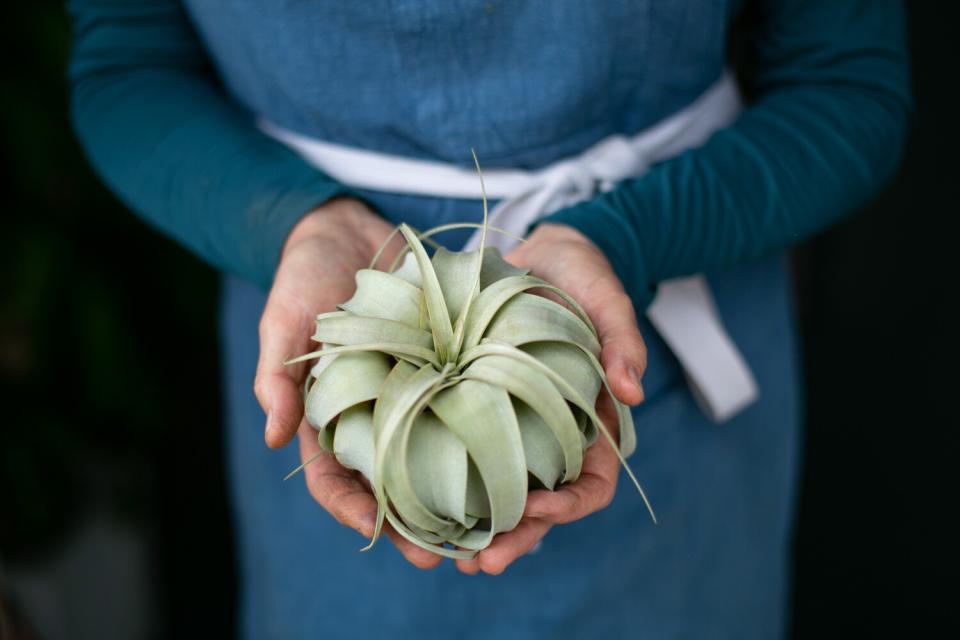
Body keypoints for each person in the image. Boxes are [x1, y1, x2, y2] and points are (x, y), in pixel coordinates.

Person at [68, 1, 910, 637]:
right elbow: (126, 61)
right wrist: (292, 220)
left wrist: (627, 237)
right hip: (334, 351)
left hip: (664, 364)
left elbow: (847, 83)